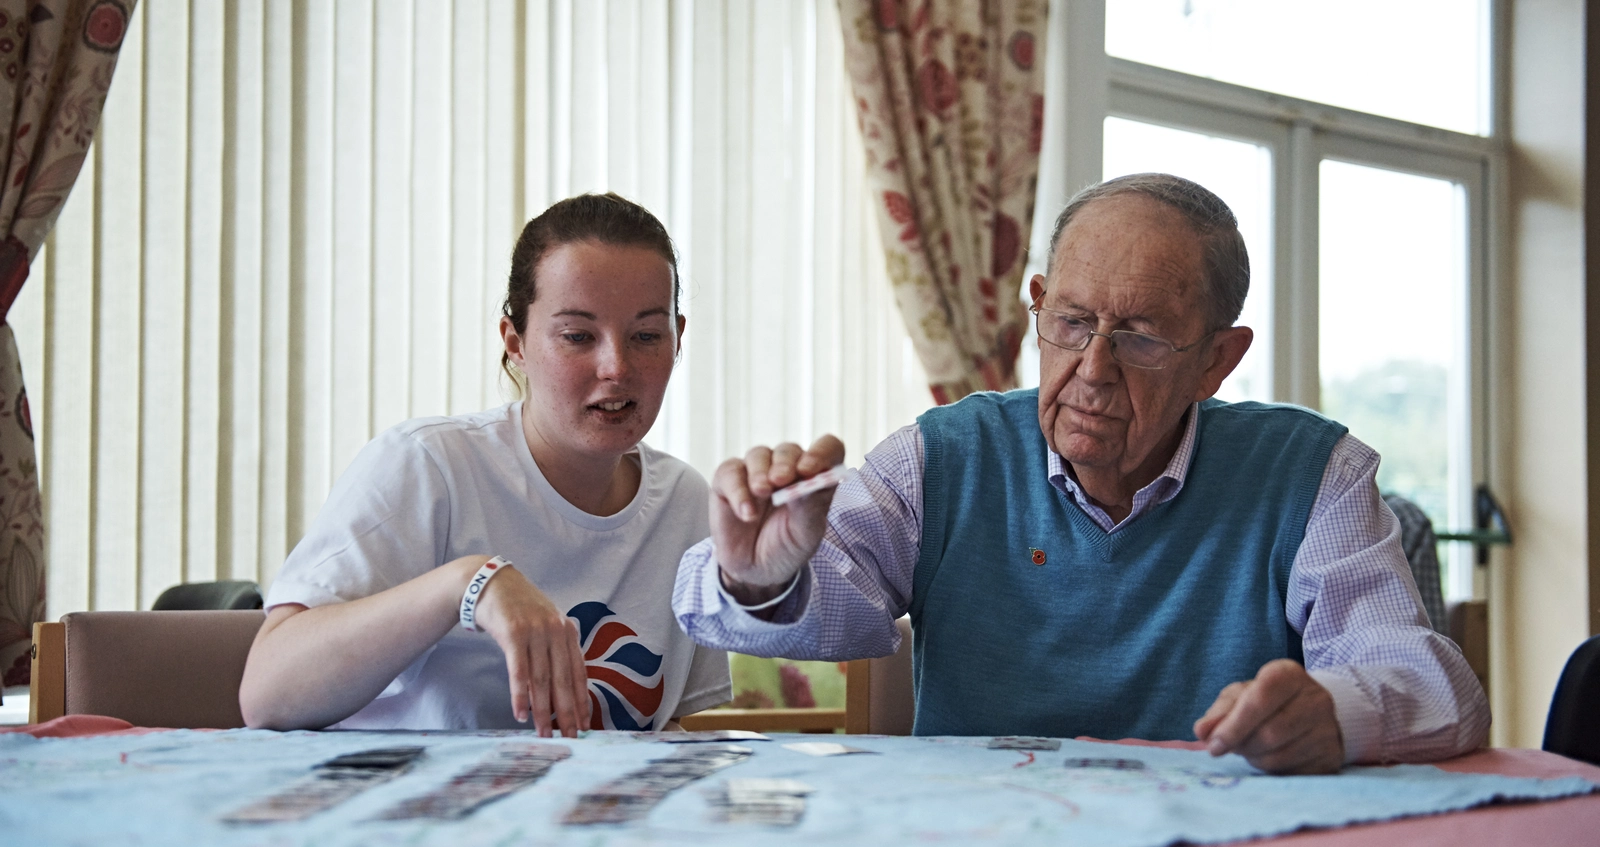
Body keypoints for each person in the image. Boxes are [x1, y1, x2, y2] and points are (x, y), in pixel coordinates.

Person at [673, 173, 1489, 774]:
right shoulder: (944, 456)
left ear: (1217, 358)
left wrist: (1334, 714)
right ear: (1036, 304)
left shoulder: (1313, 474)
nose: (1092, 368)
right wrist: (758, 578)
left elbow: (1439, 688)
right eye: (1070, 322)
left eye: (1139, 335)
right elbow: (833, 614)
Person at [241, 193, 730, 736]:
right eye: (577, 337)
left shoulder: (686, 501)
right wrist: (467, 584)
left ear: (677, 339)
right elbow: (266, 695)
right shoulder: (428, 467)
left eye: (646, 336)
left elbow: (674, 730)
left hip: (596, 815)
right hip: (415, 808)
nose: (616, 366)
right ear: (515, 342)